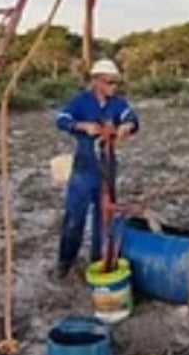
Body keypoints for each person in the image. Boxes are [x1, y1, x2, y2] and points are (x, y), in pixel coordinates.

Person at [53, 58, 139, 279]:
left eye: (115, 83)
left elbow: (131, 117)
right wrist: (82, 126)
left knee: (104, 219)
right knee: (74, 219)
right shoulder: (81, 102)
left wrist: (127, 127)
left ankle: (99, 262)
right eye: (109, 82)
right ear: (96, 82)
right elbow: (61, 119)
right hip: (84, 168)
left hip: (107, 168)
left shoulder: (118, 103)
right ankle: (65, 261)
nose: (113, 87)